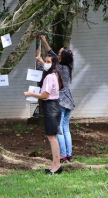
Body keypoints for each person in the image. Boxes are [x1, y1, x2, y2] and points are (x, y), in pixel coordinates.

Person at [24, 52, 63, 174]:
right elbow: (47, 68)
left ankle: (57, 166)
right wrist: (40, 61)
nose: (45, 64)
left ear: (53, 64)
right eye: (44, 61)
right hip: (55, 106)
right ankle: (54, 164)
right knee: (53, 137)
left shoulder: (49, 77)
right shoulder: (55, 74)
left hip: (50, 107)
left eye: (47, 62)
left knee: (52, 138)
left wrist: (30, 94)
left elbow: (45, 95)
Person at [38, 35, 75, 163]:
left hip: (61, 101)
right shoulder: (68, 67)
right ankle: (69, 155)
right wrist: (44, 40)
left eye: (59, 53)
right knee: (66, 128)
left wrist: (41, 61)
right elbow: (51, 52)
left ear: (62, 57)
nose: (57, 54)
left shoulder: (59, 68)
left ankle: (63, 155)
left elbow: (48, 67)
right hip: (69, 101)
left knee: (59, 128)